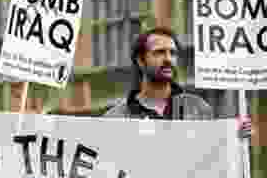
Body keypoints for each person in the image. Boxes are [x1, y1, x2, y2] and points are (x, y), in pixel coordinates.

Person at [104, 26, 252, 139]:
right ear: (140, 61)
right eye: (159, 52)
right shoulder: (115, 118)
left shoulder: (198, 109)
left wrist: (235, 137)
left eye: (172, 53)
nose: (168, 59)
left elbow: (213, 154)